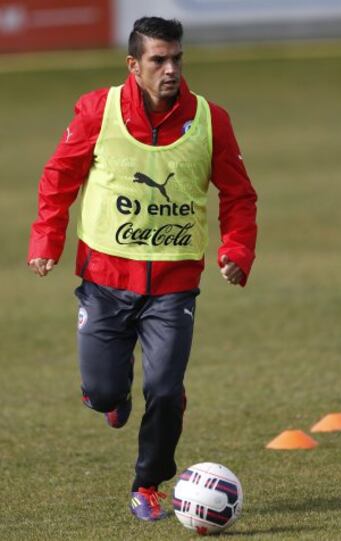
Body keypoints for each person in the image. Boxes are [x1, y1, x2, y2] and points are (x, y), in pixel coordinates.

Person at [28, 16, 257, 521]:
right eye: (158, 60)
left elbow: (239, 194)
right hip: (104, 285)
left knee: (166, 390)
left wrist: (237, 250)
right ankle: (112, 394)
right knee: (104, 393)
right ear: (134, 65)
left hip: (174, 290)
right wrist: (47, 239)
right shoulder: (96, 111)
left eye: (176, 58)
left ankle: (148, 483)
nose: (170, 69)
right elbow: (59, 176)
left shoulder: (210, 120)